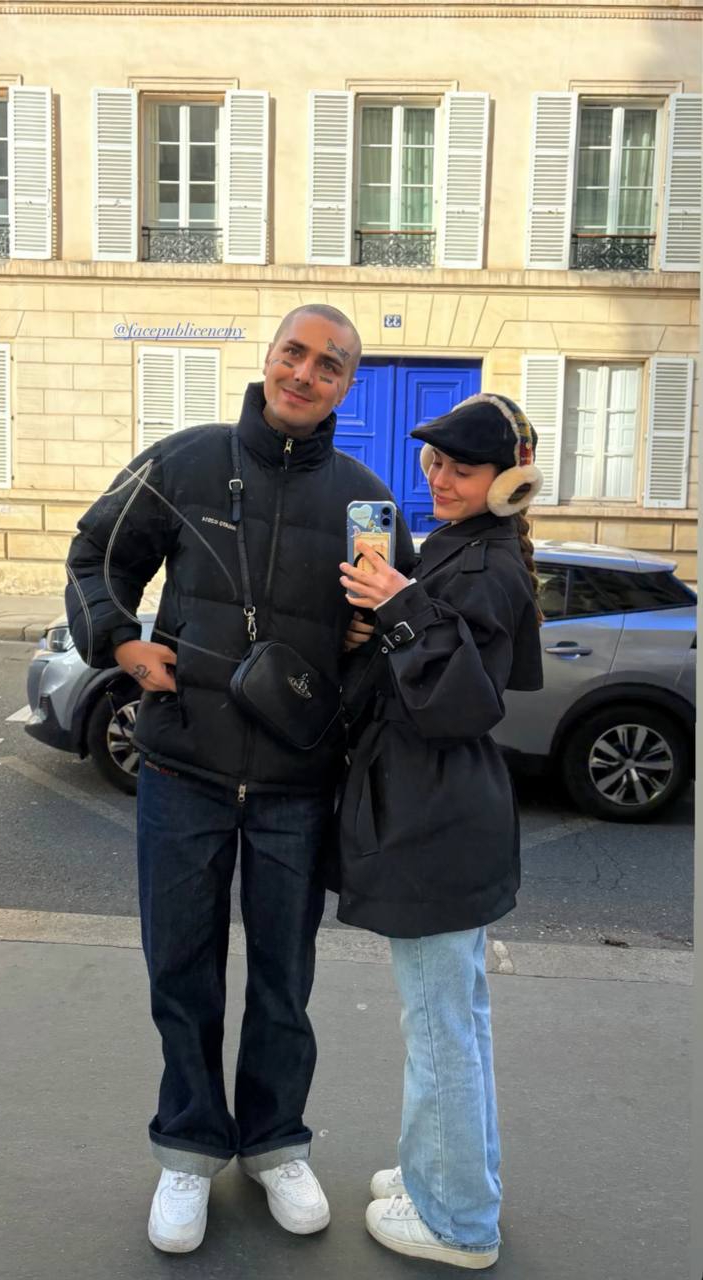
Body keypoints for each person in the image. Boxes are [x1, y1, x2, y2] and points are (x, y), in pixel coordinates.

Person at [64, 304, 415, 1254]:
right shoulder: (184, 462)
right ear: (269, 357)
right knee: (180, 969)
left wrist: (361, 647)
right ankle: (188, 1150)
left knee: (284, 980)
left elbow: (392, 637)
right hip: (183, 768)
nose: (305, 374)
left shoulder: (365, 501)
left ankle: (274, 1144)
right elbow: (97, 554)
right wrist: (120, 643)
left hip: (297, 786)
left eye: (329, 365)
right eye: (294, 353)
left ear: (346, 387)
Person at [336, 393, 544, 1270]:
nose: (440, 478)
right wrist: (384, 615)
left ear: (508, 480)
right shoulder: (466, 546)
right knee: (455, 1019)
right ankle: (442, 1174)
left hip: (435, 815)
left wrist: (400, 605)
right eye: (434, 461)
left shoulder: (488, 565)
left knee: (438, 1030)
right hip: (444, 809)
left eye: (463, 467)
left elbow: (462, 705)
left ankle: (458, 1222)